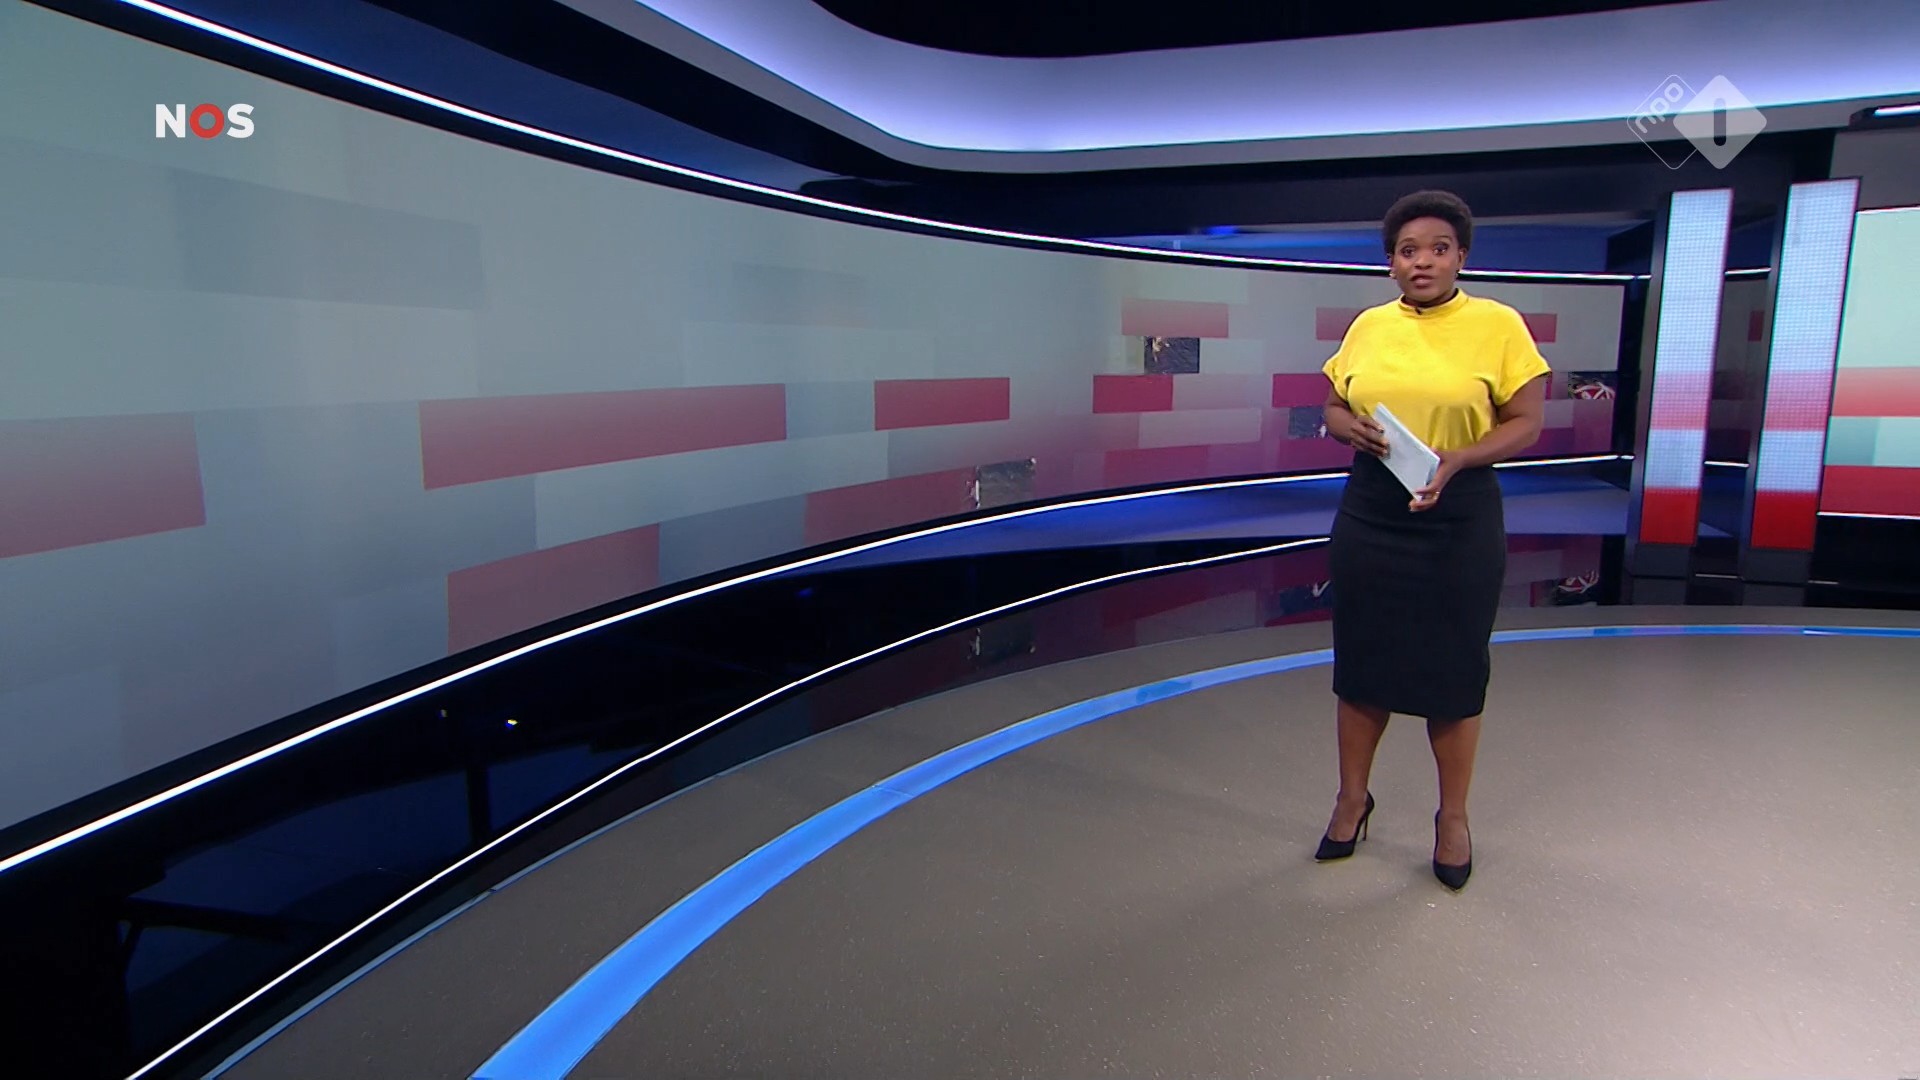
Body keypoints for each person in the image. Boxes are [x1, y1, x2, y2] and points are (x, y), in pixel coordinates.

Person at [1312, 190, 1550, 890]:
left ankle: (1452, 818)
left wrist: (1461, 458)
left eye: (1439, 249)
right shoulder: (1369, 326)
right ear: (1391, 262)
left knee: (1453, 670)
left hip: (1459, 510)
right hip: (1372, 509)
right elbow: (1333, 403)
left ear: (1461, 257)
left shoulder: (1498, 324)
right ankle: (1352, 801)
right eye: (1408, 250)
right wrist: (1345, 427)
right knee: (1362, 664)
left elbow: (1527, 421)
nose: (1423, 261)